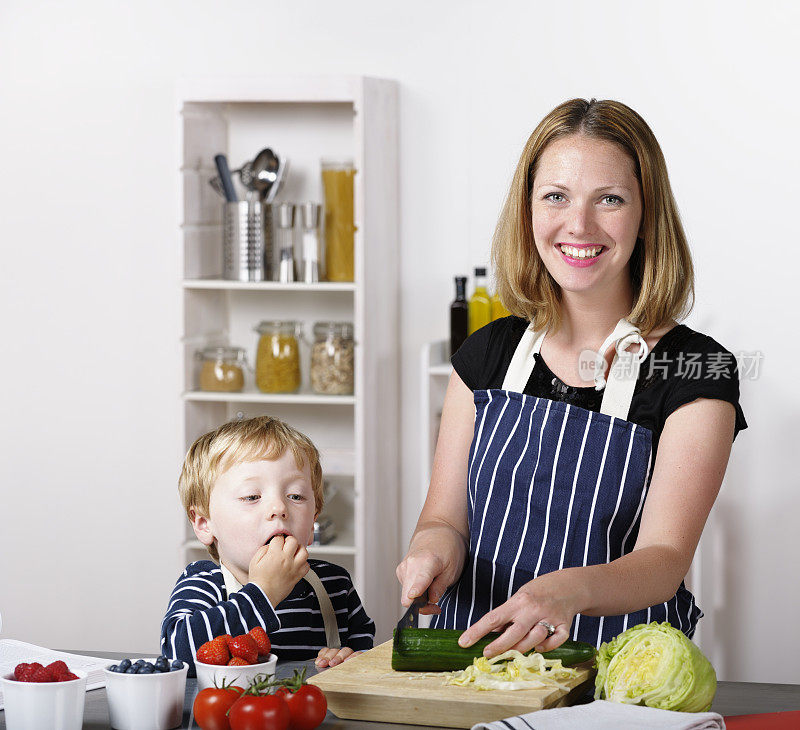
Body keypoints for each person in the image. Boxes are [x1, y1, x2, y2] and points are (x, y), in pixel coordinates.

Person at [397, 98, 747, 660]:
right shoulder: (486, 354)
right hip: (469, 661)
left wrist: (564, 593)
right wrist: (431, 550)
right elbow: (444, 517)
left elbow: (663, 560)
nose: (577, 225)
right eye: (555, 196)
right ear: (528, 209)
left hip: (617, 675)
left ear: (645, 213)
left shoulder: (694, 372)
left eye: (609, 199)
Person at [161, 416, 374, 673]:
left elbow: (365, 656)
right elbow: (177, 655)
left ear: (313, 519)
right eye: (252, 496)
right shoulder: (203, 584)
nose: (279, 508)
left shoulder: (336, 585)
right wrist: (264, 592)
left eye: (295, 496)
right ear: (205, 523)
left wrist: (350, 659)